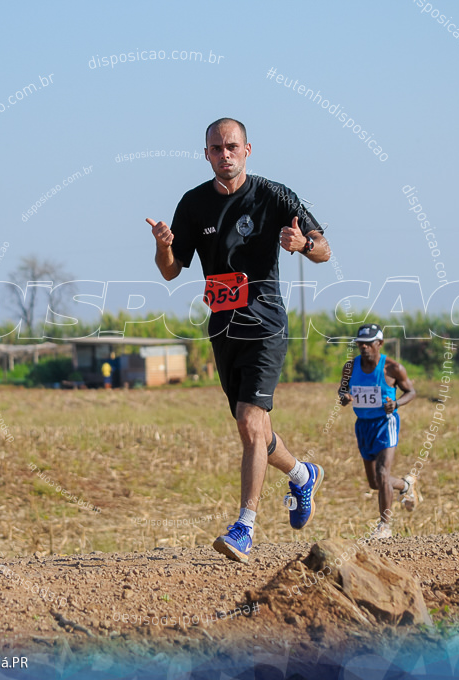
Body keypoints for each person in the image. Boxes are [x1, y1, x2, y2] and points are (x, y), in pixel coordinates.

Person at [147, 118, 331, 563]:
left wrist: (304, 243)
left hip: (265, 321)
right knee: (255, 430)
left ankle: (244, 528)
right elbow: (171, 270)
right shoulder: (192, 204)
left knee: (251, 423)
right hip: (223, 325)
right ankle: (303, 474)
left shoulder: (275, 195)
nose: (224, 154)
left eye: (232, 146)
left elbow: (325, 249)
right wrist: (163, 245)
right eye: (216, 148)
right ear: (206, 154)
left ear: (248, 149)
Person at [338, 324, 419, 539]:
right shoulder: (350, 367)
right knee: (374, 482)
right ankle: (405, 485)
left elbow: (411, 391)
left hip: (385, 423)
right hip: (363, 426)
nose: (363, 347)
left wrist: (397, 404)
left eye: (368, 343)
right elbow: (343, 389)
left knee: (383, 473)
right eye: (360, 343)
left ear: (379, 344)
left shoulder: (392, 368)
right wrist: (344, 397)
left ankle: (384, 526)